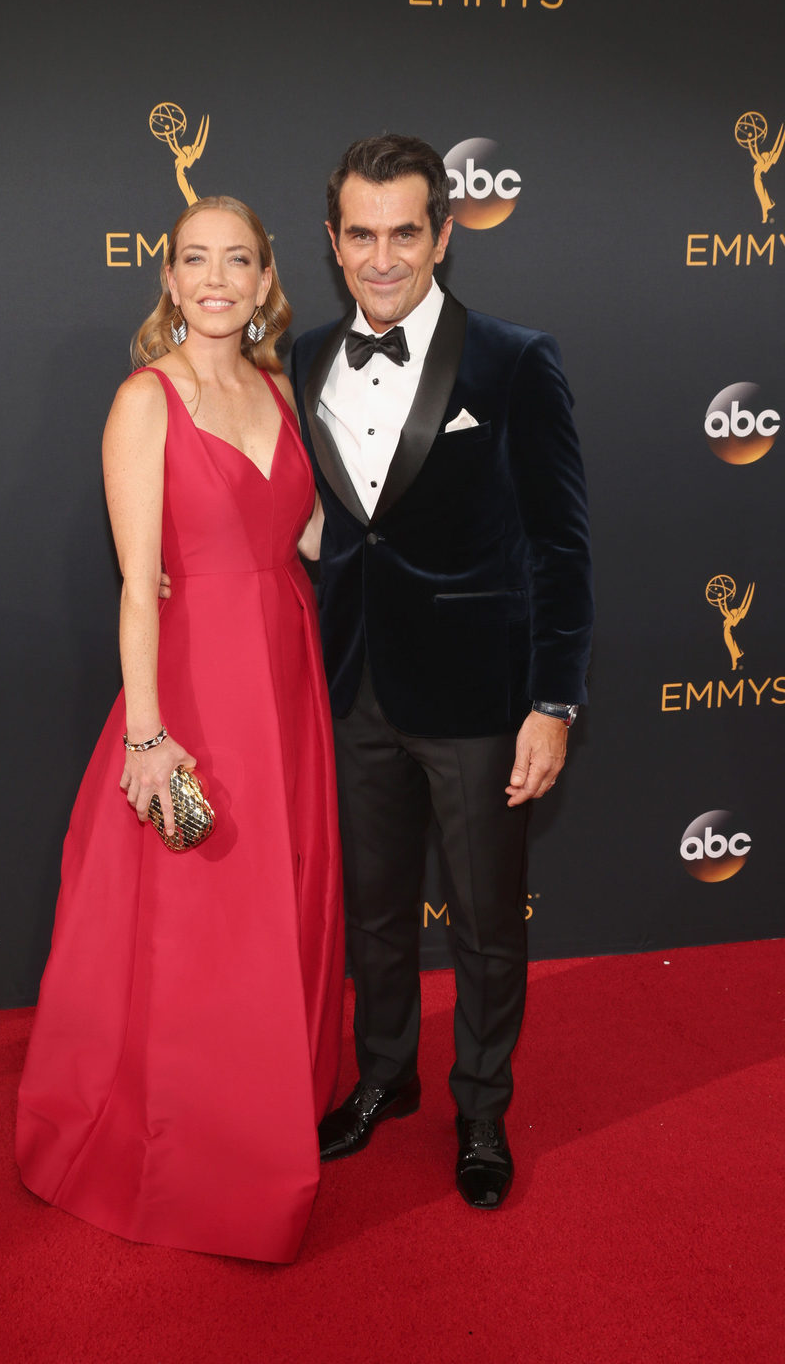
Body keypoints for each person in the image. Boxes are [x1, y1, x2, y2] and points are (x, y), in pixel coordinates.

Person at [16, 196, 345, 1263]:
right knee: (204, 922)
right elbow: (137, 585)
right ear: (167, 276)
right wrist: (148, 737)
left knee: (283, 893)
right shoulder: (142, 402)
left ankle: (280, 1100)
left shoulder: (283, 389)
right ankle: (196, 1144)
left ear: (264, 280)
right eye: (194, 259)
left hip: (287, 672)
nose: (216, 278)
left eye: (236, 260)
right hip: (194, 679)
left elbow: (306, 531)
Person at [290, 135, 593, 1209]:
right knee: (373, 912)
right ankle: (383, 1080)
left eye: (404, 233)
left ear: (444, 236)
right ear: (332, 243)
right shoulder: (302, 359)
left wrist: (552, 700)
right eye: (361, 235)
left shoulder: (515, 359)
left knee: (484, 920)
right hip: (353, 685)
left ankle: (480, 1106)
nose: (383, 257)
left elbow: (561, 545)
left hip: (477, 695)